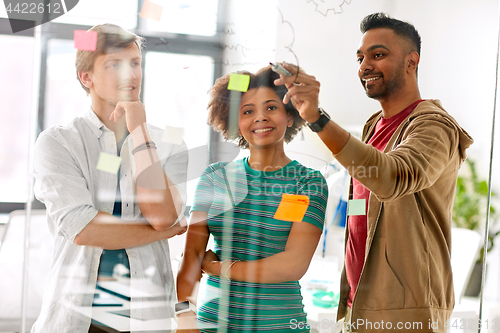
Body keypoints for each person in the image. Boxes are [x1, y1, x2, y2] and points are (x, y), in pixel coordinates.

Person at [275, 12, 474, 333]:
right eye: (360, 57)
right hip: (360, 304)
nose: (365, 65)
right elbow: (363, 208)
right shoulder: (373, 126)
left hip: (407, 312)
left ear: (412, 62)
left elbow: (391, 178)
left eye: (378, 55)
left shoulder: (434, 126)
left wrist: (316, 118)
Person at [32, 24, 188, 332]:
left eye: (135, 63)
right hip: (78, 316)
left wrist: (140, 132)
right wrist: (161, 234)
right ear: (86, 77)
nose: (130, 75)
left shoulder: (169, 142)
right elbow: (85, 230)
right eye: (114, 64)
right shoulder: (58, 142)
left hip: (144, 317)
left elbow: (163, 216)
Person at [175, 66, 328, 332]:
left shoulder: (307, 182)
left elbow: (292, 265)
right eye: (248, 111)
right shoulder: (215, 177)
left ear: (290, 116)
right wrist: (184, 317)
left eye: (271, 108)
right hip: (212, 325)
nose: (260, 118)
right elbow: (192, 256)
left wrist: (220, 268)